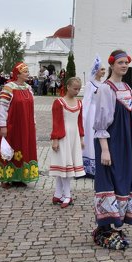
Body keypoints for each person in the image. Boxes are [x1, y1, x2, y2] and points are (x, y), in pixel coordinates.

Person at [92, 50, 132, 250]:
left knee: (124, 179)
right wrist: (104, 149)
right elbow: (101, 122)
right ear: (112, 65)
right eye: (120, 62)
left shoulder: (127, 87)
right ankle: (104, 227)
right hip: (111, 143)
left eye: (126, 62)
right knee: (110, 178)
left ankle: (117, 222)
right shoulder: (105, 89)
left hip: (126, 142)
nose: (124, 65)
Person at [0, 63, 38, 187]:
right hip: (13, 125)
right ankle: (6, 178)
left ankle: (20, 177)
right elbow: (2, 108)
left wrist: (33, 123)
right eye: (25, 72)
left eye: (27, 71)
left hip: (26, 125)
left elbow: (32, 108)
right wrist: (2, 125)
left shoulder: (28, 88)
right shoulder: (9, 88)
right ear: (18, 74)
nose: (28, 74)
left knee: (24, 147)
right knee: (9, 149)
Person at [50, 76, 85, 207]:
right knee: (63, 165)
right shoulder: (59, 102)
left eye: (79, 89)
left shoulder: (79, 103)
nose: (77, 91)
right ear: (68, 87)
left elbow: (80, 122)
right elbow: (56, 122)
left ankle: (58, 194)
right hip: (63, 137)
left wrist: (81, 138)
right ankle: (67, 195)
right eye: (75, 88)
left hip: (74, 137)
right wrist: (55, 139)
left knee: (66, 166)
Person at [82, 57, 105, 177]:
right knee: (90, 137)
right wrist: (84, 118)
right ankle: (87, 167)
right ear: (96, 70)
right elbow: (86, 101)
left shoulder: (103, 84)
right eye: (102, 69)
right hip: (91, 113)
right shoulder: (90, 84)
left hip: (100, 113)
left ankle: (97, 165)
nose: (104, 71)